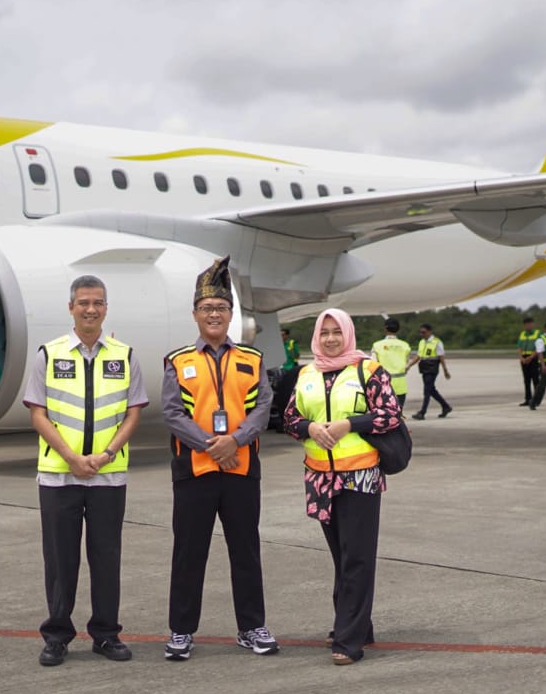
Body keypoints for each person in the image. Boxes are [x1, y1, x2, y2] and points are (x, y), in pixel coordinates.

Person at [23, 274, 148, 667]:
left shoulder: (124, 356)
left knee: (106, 556)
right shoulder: (50, 353)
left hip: (108, 477)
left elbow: (133, 413)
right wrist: (72, 458)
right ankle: (57, 635)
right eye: (83, 303)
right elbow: (38, 414)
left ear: (106, 308)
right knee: (60, 560)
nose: (90, 309)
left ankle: (106, 634)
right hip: (59, 476)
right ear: (71, 308)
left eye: (97, 303)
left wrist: (107, 454)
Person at [161, 255, 278, 661]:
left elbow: (263, 407)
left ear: (231, 314)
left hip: (241, 470)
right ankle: (180, 631)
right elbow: (173, 412)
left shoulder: (252, 358)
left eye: (221, 308)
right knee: (189, 553)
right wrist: (213, 445)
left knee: (245, 551)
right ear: (195, 314)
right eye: (207, 308)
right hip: (194, 470)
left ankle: (251, 627)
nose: (214, 314)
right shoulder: (178, 360)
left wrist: (235, 441)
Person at [284, 308, 402, 665]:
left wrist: (349, 424)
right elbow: (290, 417)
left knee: (357, 558)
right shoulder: (307, 373)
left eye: (337, 332)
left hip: (360, 477)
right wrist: (309, 429)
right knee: (341, 556)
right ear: (316, 337)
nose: (331, 338)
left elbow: (390, 414)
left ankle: (349, 639)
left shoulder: (368, 369)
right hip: (320, 477)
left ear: (348, 334)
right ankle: (357, 624)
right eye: (325, 332)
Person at [407, 323, 451, 420]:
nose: (422, 334)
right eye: (421, 332)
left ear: (430, 332)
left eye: (424, 332)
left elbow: (441, 357)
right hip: (424, 367)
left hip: (432, 367)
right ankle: (446, 406)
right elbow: (418, 356)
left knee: (427, 390)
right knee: (431, 390)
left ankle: (422, 412)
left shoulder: (437, 342)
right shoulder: (422, 342)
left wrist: (445, 370)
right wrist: (409, 365)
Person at [370, 318, 411, 410]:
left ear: (385, 329)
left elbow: (373, 365)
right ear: (398, 329)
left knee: (386, 414)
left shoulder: (377, 345)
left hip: (384, 385)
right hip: (401, 385)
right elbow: (407, 365)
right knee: (399, 413)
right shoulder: (405, 345)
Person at [270, 328, 302, 431]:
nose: (281, 337)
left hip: (289, 368)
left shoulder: (291, 343)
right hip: (280, 368)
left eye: (283, 335)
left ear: (287, 335)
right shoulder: (278, 345)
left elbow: (297, 354)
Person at [516, 317, 541, 407]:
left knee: (535, 380)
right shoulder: (523, 334)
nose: (529, 326)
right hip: (524, 358)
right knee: (526, 380)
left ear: (533, 324)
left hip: (533, 358)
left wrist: (531, 357)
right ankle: (528, 399)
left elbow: (538, 348)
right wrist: (521, 357)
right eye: (527, 324)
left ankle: (537, 399)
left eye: (530, 324)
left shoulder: (538, 334)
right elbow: (519, 347)